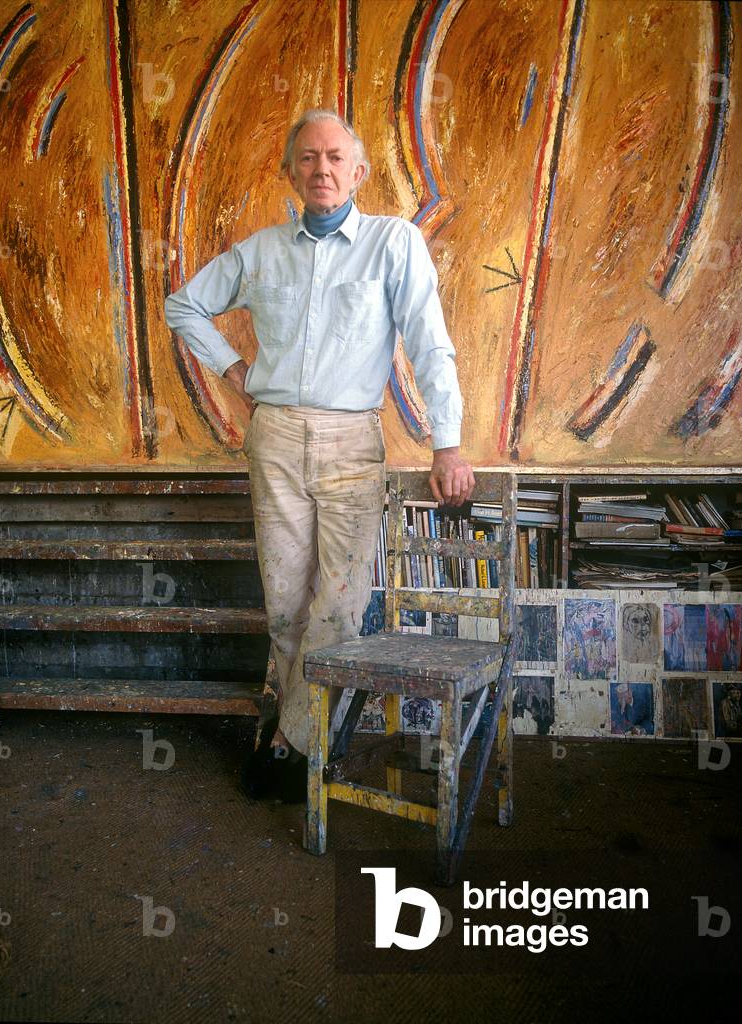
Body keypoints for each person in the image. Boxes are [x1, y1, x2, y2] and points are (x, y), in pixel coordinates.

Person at [165, 108, 474, 800]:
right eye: (307, 158)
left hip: (350, 442)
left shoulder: (393, 244)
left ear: (359, 172)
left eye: (336, 157)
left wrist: (446, 441)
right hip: (272, 438)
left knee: (338, 605)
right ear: (289, 172)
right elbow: (182, 305)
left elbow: (429, 341)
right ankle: (310, 739)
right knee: (284, 608)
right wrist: (232, 370)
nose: (322, 169)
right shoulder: (262, 251)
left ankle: (290, 743)